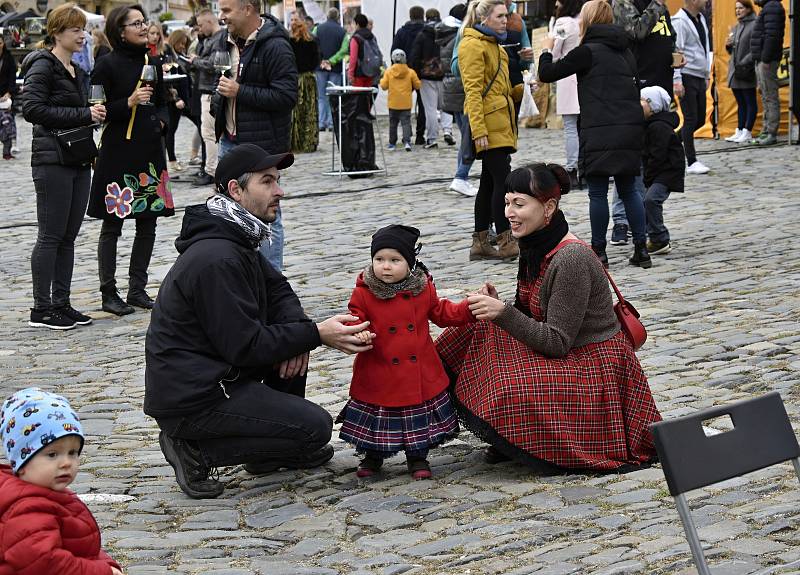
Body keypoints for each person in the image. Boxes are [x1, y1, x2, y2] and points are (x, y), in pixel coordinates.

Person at [144, 144, 375, 499]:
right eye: (267, 182)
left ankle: (269, 453)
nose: (279, 191)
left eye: (278, 181)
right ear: (236, 190)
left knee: (294, 345)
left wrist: (301, 334)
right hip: (194, 400)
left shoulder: (237, 237)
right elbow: (246, 345)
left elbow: (279, 291)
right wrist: (315, 334)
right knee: (316, 428)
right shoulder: (217, 256)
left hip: (221, 378)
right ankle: (194, 450)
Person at [436, 163, 661, 471]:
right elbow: (530, 315)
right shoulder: (536, 245)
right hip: (569, 352)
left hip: (593, 367)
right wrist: (499, 306)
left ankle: (517, 437)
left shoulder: (571, 259)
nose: (509, 212)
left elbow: (557, 342)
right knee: (470, 332)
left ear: (549, 207)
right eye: (506, 203)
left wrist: (502, 314)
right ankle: (502, 436)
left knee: (508, 385)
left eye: (519, 204)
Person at [338, 225, 474, 480]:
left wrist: (468, 307)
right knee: (378, 418)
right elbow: (353, 318)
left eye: (394, 260)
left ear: (409, 263)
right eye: (379, 259)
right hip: (379, 368)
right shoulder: (364, 292)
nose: (385, 266)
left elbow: (442, 313)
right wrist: (358, 331)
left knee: (416, 418)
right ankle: (372, 455)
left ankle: (417, 456)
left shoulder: (422, 288)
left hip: (417, 370)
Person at [538, 0, 650, 268]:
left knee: (598, 193)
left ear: (587, 21)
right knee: (629, 190)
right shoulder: (626, 51)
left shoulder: (586, 52)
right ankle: (641, 250)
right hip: (628, 129)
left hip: (598, 129)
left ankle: (599, 250)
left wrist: (546, 49)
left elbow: (547, 73)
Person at [22, 3, 106, 330]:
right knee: (51, 235)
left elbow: (76, 109)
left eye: (83, 29)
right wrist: (83, 115)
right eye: (75, 29)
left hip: (77, 156)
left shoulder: (76, 69)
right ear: (57, 32)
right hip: (51, 159)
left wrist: (91, 114)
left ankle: (61, 303)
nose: (82, 35)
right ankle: (41, 308)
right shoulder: (43, 64)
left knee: (68, 235)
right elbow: (32, 109)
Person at [89, 4, 173, 316]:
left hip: (149, 151)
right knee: (112, 226)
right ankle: (108, 292)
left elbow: (163, 103)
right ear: (120, 30)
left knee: (147, 223)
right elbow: (97, 109)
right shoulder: (106, 65)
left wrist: (162, 122)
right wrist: (128, 102)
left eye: (143, 21)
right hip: (118, 153)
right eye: (135, 23)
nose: (142, 27)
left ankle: (137, 288)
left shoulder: (153, 60)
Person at [213, 0, 298, 274]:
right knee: (230, 214)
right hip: (230, 141)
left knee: (268, 216)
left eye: (226, 11)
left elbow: (287, 96)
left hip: (262, 147)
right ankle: (242, 278)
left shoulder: (275, 45)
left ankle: (271, 284)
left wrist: (240, 91)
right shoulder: (225, 42)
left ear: (248, 9)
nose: (221, 16)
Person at [0, 388, 123, 574]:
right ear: (22, 462)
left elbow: (80, 547)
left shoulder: (50, 494)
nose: (66, 463)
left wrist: (107, 563)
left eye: (72, 453)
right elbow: (46, 564)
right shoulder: (27, 509)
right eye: (52, 454)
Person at [460, 0, 523, 262]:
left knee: (488, 182)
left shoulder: (497, 47)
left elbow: (502, 88)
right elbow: (473, 91)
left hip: (501, 121)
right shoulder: (472, 45)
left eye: (506, 16)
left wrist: (523, 90)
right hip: (487, 124)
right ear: (484, 18)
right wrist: (478, 130)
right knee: (503, 181)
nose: (505, 20)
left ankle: (481, 242)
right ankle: (506, 239)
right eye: (499, 16)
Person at [611, 0, 677, 245]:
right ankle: (621, 221)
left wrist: (675, 64)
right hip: (637, 90)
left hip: (661, 90)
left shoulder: (660, 7)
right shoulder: (624, 3)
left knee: (654, 155)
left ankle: (647, 219)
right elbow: (636, 31)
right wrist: (657, 6)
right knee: (631, 157)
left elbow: (669, 37)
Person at [640, 86, 685, 255]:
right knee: (646, 200)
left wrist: (649, 176)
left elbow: (658, 155)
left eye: (642, 102)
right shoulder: (649, 125)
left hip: (667, 171)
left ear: (653, 105)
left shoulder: (659, 126)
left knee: (651, 200)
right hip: (659, 171)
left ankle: (659, 238)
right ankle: (651, 234)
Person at [440, 3, 478, 196]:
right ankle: (461, 176)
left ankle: (461, 176)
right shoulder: (461, 35)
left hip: (453, 90)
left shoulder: (447, 33)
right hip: (460, 91)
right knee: (469, 139)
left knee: (466, 137)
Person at [672, 0, 711, 174]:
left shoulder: (701, 18)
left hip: (698, 75)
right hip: (686, 75)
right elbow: (676, 50)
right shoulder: (679, 21)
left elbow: (704, 46)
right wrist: (677, 79)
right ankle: (691, 161)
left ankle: (670, 141)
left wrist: (706, 73)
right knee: (690, 118)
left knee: (700, 120)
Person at [187, 8, 224, 186]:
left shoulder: (218, 38)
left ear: (210, 22)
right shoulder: (213, 38)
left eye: (201, 25)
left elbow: (213, 65)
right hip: (209, 89)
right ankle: (212, 169)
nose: (200, 28)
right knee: (209, 134)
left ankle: (212, 170)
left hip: (210, 90)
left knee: (209, 134)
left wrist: (194, 61)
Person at [551, 0, 582, 189]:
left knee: (571, 126)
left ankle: (572, 168)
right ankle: (584, 167)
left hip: (568, 76)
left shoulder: (563, 23)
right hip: (586, 77)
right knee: (584, 127)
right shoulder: (586, 20)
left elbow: (555, 50)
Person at [410, 8, 449, 149]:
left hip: (426, 77)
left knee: (430, 109)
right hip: (444, 74)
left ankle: (432, 138)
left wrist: (416, 75)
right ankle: (447, 130)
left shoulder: (422, 35)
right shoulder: (446, 32)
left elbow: (414, 57)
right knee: (446, 106)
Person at [750, 0, 785, 145]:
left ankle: (771, 132)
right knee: (765, 95)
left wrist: (765, 59)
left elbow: (772, 36)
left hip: (767, 61)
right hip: (763, 59)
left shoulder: (772, 7)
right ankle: (766, 130)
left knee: (770, 95)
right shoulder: (768, 7)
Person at [392, 6, 427, 144]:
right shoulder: (426, 31)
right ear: (422, 15)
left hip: (404, 71)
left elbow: (394, 51)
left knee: (401, 103)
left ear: (410, 16)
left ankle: (404, 134)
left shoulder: (401, 32)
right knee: (423, 104)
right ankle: (420, 135)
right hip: (422, 72)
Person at [724, 0, 758, 143]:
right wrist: (728, 45)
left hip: (747, 70)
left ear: (749, 9)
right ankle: (739, 130)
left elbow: (755, 48)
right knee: (741, 102)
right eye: (736, 8)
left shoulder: (754, 25)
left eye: (741, 8)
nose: (738, 11)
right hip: (736, 71)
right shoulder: (736, 27)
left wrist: (745, 62)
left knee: (750, 101)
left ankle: (747, 130)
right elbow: (732, 51)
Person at [289, 12, 321, 153]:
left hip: (294, 79)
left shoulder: (289, 43)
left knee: (295, 112)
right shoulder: (312, 41)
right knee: (309, 110)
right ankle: (308, 142)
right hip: (308, 79)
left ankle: (295, 142)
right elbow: (316, 61)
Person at [380, 49, 420, 151]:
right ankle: (407, 142)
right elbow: (418, 85)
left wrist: (381, 78)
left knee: (393, 124)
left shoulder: (388, 72)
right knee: (406, 123)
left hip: (393, 103)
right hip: (406, 103)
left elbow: (384, 86)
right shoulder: (410, 72)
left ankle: (392, 143)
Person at [164, 29, 192, 173]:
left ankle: (172, 160)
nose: (182, 46)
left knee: (171, 130)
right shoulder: (169, 56)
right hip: (174, 100)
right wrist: (177, 98)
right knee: (170, 131)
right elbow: (169, 81)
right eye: (181, 43)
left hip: (181, 98)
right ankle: (172, 160)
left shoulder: (177, 55)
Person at [314, 8, 346, 132]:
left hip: (320, 67)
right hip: (335, 68)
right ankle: (332, 123)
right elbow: (344, 50)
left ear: (327, 16)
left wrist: (322, 60)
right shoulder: (342, 32)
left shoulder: (317, 29)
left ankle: (322, 123)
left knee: (321, 96)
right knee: (334, 96)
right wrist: (331, 61)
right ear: (337, 17)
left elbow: (313, 45)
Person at [348, 13, 382, 88]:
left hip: (359, 73)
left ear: (357, 24)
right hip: (371, 71)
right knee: (368, 96)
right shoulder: (372, 36)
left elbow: (353, 58)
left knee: (359, 97)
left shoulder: (355, 38)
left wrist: (350, 74)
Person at [0, 35, 18, 158]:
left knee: (7, 123)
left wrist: (9, 92)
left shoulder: (8, 58)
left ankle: (7, 151)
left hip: (6, 95)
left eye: (0, 43)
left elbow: (12, 77)